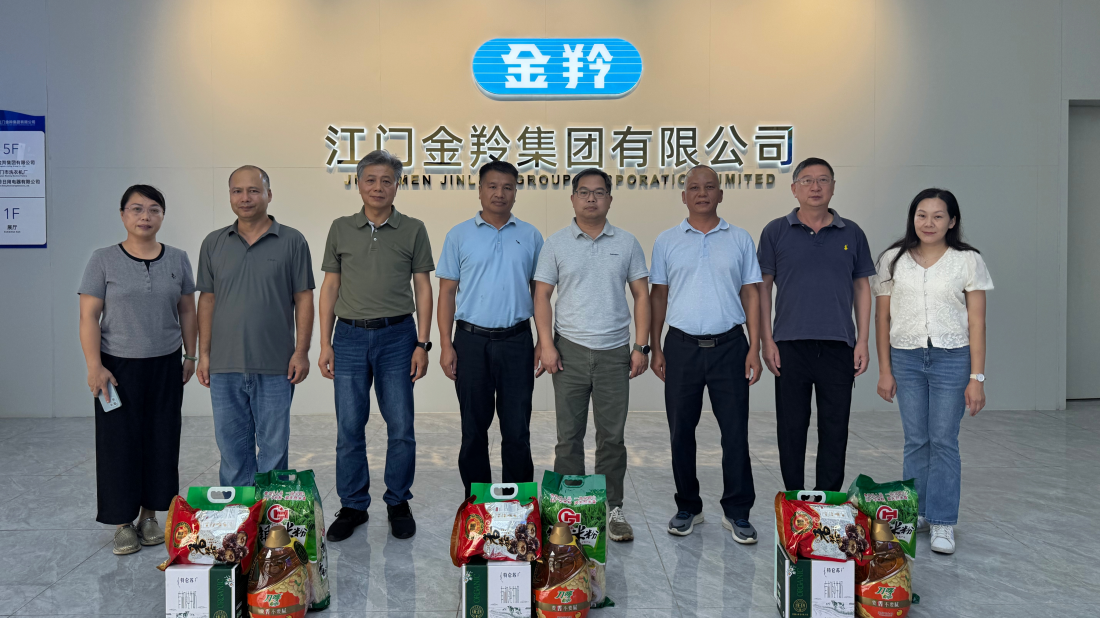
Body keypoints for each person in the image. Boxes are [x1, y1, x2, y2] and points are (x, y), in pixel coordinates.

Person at [318, 150, 434, 542]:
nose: (378, 187)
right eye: (370, 179)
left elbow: (423, 287)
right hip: (349, 337)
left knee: (400, 426)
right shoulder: (341, 228)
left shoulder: (413, 229)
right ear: (358, 183)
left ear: (397, 185)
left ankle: (398, 502)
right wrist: (325, 343)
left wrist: (423, 343)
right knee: (349, 427)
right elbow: (330, 286)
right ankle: (353, 505)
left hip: (398, 337)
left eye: (387, 180)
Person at [78, 184, 197, 555]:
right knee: (118, 444)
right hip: (117, 367)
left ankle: (150, 516)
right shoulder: (103, 259)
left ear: (162, 215)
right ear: (122, 214)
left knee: (162, 439)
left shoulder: (178, 258)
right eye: (136, 209)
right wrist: (94, 366)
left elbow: (187, 310)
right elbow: (88, 316)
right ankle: (122, 523)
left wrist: (190, 356)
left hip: (165, 364)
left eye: (153, 209)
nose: (145, 216)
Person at [534, 168, 651, 543]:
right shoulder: (555, 244)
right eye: (583, 192)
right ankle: (568, 513)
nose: (590, 198)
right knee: (568, 438)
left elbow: (642, 295)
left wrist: (641, 345)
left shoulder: (627, 243)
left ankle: (612, 508)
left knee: (611, 438)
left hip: (615, 352)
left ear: (609, 199)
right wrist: (547, 344)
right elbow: (541, 296)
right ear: (572, 198)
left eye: (599, 192)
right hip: (568, 351)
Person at [873, 188, 991, 555]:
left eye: (938, 216)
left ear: (952, 221)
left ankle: (942, 520)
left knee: (943, 440)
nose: (929, 222)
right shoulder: (892, 259)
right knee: (915, 440)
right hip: (905, 358)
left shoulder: (967, 261)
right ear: (913, 218)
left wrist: (977, 378)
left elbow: (977, 323)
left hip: (952, 358)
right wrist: (884, 370)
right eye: (921, 215)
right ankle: (915, 514)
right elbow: (882, 318)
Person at [650, 165, 764, 544]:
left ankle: (737, 512)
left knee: (735, 433)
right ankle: (688, 507)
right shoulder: (667, 241)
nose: (702, 193)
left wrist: (754, 346)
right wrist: (656, 345)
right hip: (680, 347)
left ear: (720, 194)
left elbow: (751, 293)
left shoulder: (739, 238)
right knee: (681, 431)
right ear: (684, 196)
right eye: (694, 188)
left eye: (710, 187)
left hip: (730, 346)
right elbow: (659, 295)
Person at [757, 157, 875, 492]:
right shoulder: (775, 231)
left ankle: (828, 503)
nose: (815, 187)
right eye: (807, 180)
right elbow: (763, 289)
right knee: (791, 429)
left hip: (839, 346)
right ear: (794, 188)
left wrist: (862, 341)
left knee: (835, 430)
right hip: (789, 345)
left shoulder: (852, 232)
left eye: (823, 180)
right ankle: (795, 499)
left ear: (833, 187)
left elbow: (862, 288)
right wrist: (767, 340)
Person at [195, 166, 315, 487]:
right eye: (237, 191)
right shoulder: (213, 243)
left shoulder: (292, 240)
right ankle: (239, 515)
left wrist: (301, 352)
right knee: (232, 451)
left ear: (268, 195)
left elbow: (304, 299)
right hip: (224, 365)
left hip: (276, 365)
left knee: (274, 451)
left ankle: (270, 514)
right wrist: (203, 355)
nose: (245, 198)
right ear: (230, 196)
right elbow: (207, 300)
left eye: (253, 190)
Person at [436, 160, 545, 497]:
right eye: (493, 186)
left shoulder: (531, 235)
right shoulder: (459, 235)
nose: (500, 193)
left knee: (517, 430)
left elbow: (540, 293)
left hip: (517, 340)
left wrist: (543, 341)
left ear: (515, 192)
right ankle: (478, 503)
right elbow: (447, 293)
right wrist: (445, 344)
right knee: (473, 429)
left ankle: (520, 505)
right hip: (470, 342)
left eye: (507, 187)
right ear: (480, 190)